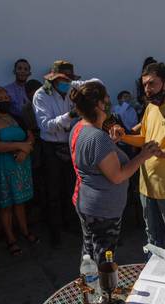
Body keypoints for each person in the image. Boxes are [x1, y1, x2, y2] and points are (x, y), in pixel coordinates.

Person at [112, 62, 165, 254]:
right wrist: (124, 137)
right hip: (147, 186)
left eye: (152, 84)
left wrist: (160, 153)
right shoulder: (151, 108)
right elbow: (145, 138)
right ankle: (153, 278)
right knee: (152, 238)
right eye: (144, 85)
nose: (147, 89)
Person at [69, 82, 159, 264]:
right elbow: (117, 176)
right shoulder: (98, 137)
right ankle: (103, 290)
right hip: (103, 209)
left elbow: (93, 160)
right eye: (106, 99)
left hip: (87, 204)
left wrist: (112, 145)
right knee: (104, 257)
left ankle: (89, 286)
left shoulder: (79, 127)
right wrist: (143, 155)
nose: (109, 103)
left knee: (89, 252)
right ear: (99, 105)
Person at [33, 60, 99, 247]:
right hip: (51, 147)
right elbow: (46, 125)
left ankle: (72, 224)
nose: (66, 82)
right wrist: (70, 115)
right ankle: (55, 231)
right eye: (63, 79)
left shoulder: (73, 88)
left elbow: (97, 83)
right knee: (53, 190)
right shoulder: (41, 95)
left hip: (71, 144)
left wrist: (85, 88)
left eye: (69, 79)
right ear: (53, 79)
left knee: (74, 186)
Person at [0, 87, 38, 256]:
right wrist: (19, 146)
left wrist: (24, 150)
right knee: (6, 204)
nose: (5, 100)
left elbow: (30, 137)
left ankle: (25, 231)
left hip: (21, 164)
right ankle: (10, 238)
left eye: (6, 97)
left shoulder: (17, 118)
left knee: (20, 202)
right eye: (0, 98)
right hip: (3, 166)